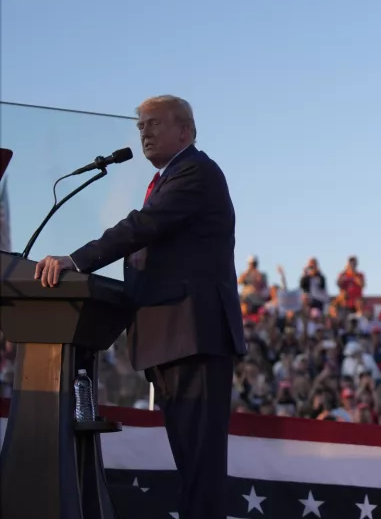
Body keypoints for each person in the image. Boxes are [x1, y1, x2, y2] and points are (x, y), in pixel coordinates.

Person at [33, 95, 245, 519]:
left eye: (153, 124)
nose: (143, 133)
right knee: (192, 467)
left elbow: (142, 226)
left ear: (185, 131)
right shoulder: (171, 177)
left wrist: (77, 260)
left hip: (193, 337)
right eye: (140, 126)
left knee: (200, 469)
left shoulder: (195, 173)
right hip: (171, 339)